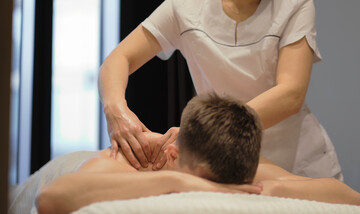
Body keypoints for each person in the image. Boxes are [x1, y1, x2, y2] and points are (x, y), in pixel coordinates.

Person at [99, 0, 343, 180]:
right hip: (218, 160)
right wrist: (116, 111)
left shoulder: (294, 5)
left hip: (296, 160)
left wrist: (204, 132)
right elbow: (120, 57)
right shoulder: (186, 6)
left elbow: (290, 95)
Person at [36, 94, 360, 214]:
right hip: (59, 168)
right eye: (201, 182)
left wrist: (266, 190)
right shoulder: (124, 163)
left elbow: (349, 197)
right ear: (172, 155)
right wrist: (175, 180)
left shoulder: (233, 161)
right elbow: (49, 200)